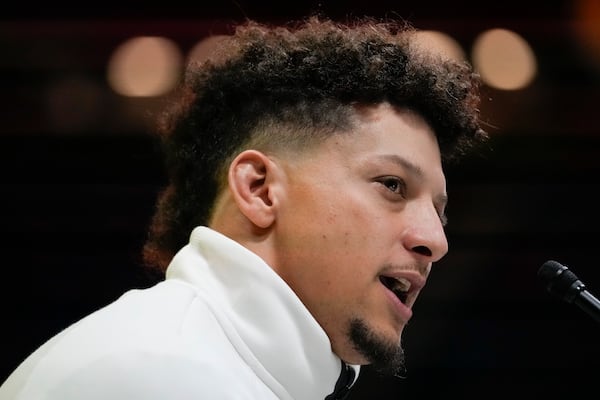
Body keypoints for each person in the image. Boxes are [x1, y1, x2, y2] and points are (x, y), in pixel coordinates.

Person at [0, 15, 488, 400]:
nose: (436, 240)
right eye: (392, 185)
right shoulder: (151, 373)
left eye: (440, 213)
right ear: (259, 189)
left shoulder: (226, 371)